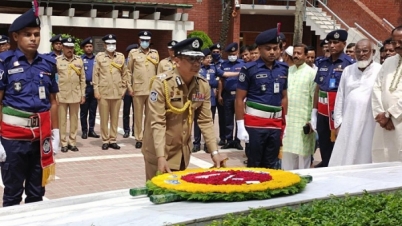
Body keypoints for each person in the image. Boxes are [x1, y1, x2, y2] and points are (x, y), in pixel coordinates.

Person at [142, 37, 226, 180]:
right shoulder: (162, 84)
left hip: (182, 152)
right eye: (191, 59)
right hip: (160, 150)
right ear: (177, 61)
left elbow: (205, 121)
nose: (196, 64)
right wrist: (161, 156)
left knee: (178, 197)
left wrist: (214, 152)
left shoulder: (202, 85)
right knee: (157, 195)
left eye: (199, 59)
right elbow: (158, 122)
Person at [0, 6, 59, 207]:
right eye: (27, 35)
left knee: (36, 193)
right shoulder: (4, 63)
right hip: (13, 137)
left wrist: (56, 133)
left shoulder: (48, 64)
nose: (33, 38)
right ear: (16, 36)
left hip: (40, 137)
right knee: (12, 193)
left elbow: (53, 102)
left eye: (36, 34)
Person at [236, 27, 288, 169]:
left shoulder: (283, 69)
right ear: (259, 49)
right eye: (268, 48)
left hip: (275, 124)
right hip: (255, 124)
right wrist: (240, 126)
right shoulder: (249, 69)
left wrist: (285, 121)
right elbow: (239, 98)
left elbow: (284, 96)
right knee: (255, 164)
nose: (272, 52)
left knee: (272, 164)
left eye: (275, 48)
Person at [328, 39, 381, 167]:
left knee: (366, 154)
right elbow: (340, 96)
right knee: (344, 156)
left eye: (365, 51)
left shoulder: (380, 70)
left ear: (373, 52)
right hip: (348, 122)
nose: (361, 54)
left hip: (370, 123)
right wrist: (338, 122)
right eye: (358, 51)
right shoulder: (348, 70)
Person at [311, 30, 355, 168]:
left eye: (336, 42)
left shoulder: (350, 64)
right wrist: (314, 112)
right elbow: (317, 88)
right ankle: (326, 166)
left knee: (338, 144)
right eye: (330, 42)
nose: (332, 45)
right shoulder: (323, 63)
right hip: (323, 111)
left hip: (338, 111)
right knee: (324, 144)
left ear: (344, 44)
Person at [93, 34, 131, 150]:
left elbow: (125, 74)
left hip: (117, 92)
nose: (111, 46)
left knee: (115, 118)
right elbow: (96, 75)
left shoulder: (120, 57)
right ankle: (105, 140)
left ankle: (113, 139)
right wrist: (96, 90)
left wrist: (124, 89)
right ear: (104, 45)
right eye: (109, 44)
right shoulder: (99, 57)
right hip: (103, 92)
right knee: (104, 118)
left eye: (113, 44)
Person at [282, 44, 316, 170]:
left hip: (303, 120)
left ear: (306, 56)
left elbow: (314, 97)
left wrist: (312, 119)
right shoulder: (287, 71)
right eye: (294, 53)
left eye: (299, 53)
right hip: (288, 120)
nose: (296, 56)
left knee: (303, 153)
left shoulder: (312, 73)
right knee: (287, 152)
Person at [371, 26, 402, 163]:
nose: (397, 46)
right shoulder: (389, 62)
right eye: (395, 42)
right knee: (383, 157)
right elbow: (376, 87)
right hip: (384, 122)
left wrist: (390, 114)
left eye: (401, 42)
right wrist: (381, 115)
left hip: (399, 120)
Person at [127, 31, 159, 149]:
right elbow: (128, 71)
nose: (145, 42)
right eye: (142, 40)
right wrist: (129, 87)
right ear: (139, 41)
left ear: (150, 41)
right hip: (138, 89)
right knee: (138, 115)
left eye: (147, 40)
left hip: (152, 90)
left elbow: (158, 72)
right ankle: (139, 138)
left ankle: (147, 137)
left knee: (150, 115)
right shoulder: (133, 53)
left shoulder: (155, 54)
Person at [56, 37, 86, 152]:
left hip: (75, 94)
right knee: (62, 121)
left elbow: (82, 79)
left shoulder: (78, 60)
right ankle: (63, 143)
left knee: (74, 120)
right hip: (62, 94)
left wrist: (82, 94)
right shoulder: (57, 60)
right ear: (63, 48)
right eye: (67, 47)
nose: (70, 49)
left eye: (71, 47)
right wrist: (56, 95)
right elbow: (55, 79)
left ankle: (72, 142)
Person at [218, 42, 244, 150]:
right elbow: (221, 80)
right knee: (228, 119)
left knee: (238, 118)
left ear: (237, 52)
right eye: (230, 54)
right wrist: (220, 95)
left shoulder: (242, 63)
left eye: (234, 53)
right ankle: (229, 140)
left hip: (239, 96)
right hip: (228, 95)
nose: (232, 55)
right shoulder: (224, 64)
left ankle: (237, 141)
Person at [192, 48, 218, 153]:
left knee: (209, 121)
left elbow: (218, 80)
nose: (209, 59)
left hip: (210, 97)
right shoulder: (198, 69)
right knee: (197, 121)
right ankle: (196, 143)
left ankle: (208, 145)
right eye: (207, 58)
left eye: (210, 57)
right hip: (198, 96)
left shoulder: (213, 68)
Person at [80, 37, 100, 139]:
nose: (89, 48)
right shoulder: (80, 59)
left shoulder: (97, 59)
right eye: (87, 46)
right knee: (84, 111)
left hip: (95, 87)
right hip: (85, 87)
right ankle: (84, 130)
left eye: (90, 46)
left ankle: (91, 130)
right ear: (84, 48)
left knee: (93, 110)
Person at [210, 43, 226, 146]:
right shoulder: (208, 63)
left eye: (218, 52)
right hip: (210, 93)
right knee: (209, 118)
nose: (216, 53)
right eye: (214, 52)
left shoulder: (224, 63)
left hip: (221, 93)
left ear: (220, 52)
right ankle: (210, 139)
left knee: (223, 117)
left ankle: (223, 138)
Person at [122, 43, 138, 138]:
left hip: (137, 90)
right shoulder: (124, 62)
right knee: (126, 112)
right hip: (127, 91)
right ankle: (126, 130)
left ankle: (135, 130)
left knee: (136, 112)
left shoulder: (139, 61)